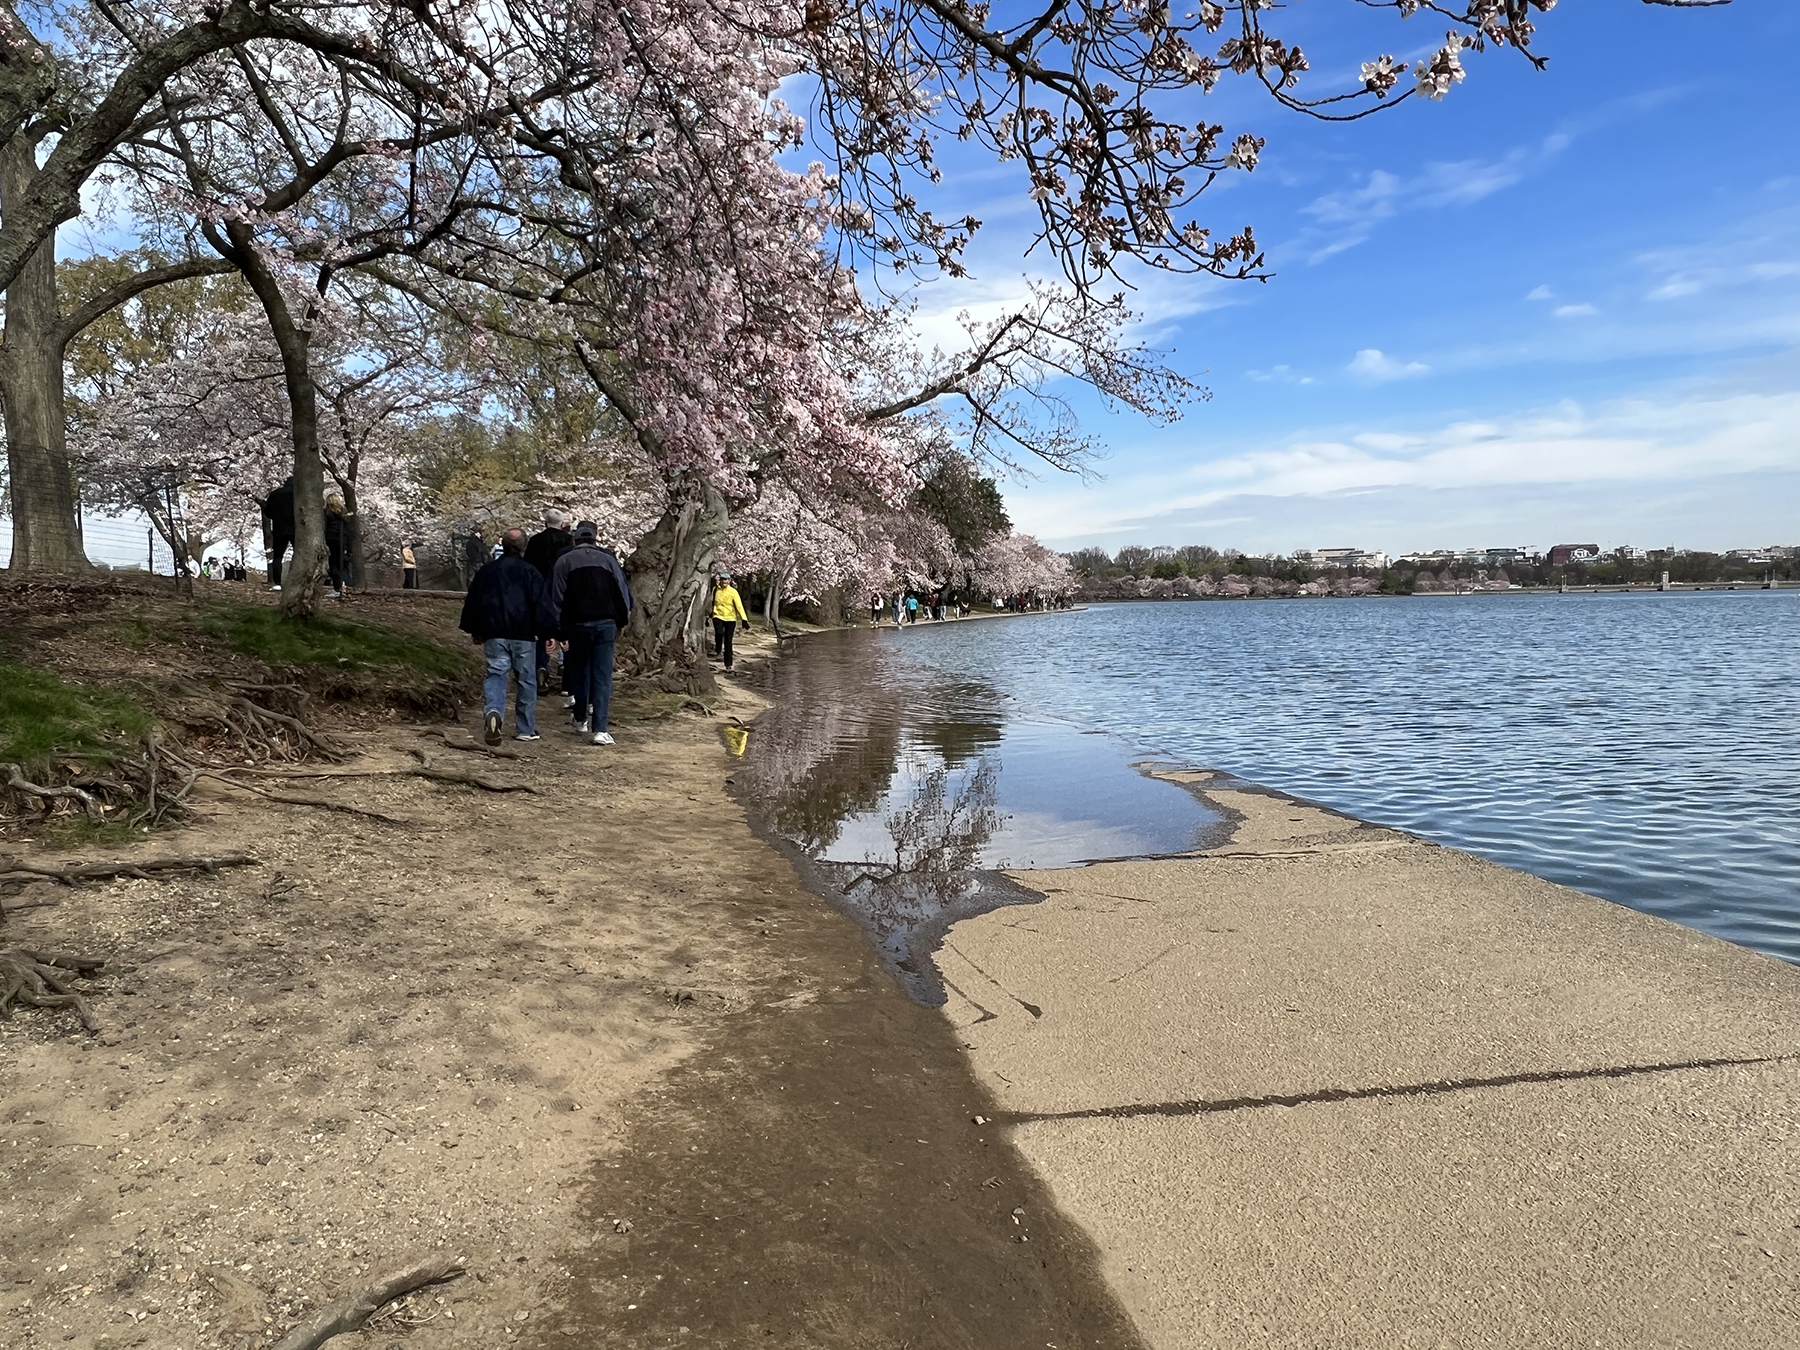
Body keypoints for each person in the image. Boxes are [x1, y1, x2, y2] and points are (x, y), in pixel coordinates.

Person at [545, 520, 633, 746]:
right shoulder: (609, 561)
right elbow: (623, 595)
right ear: (596, 539)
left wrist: (557, 629)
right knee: (602, 676)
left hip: (576, 625)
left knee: (579, 671)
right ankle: (601, 729)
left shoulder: (564, 561)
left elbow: (556, 599)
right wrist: (622, 622)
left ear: (575, 539)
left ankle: (581, 717)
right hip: (605, 624)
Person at [458, 527, 549, 744]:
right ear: (523, 547)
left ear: (503, 544)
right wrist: (547, 632)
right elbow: (540, 604)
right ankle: (525, 728)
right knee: (526, 680)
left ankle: (494, 713)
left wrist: (476, 630)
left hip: (495, 632)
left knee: (496, 675)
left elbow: (474, 602)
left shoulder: (487, 572)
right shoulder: (530, 572)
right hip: (523, 633)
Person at [524, 509, 575, 699]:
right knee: (565, 631)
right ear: (562, 524)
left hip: (539, 591)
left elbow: (528, 566)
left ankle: (541, 666)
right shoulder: (567, 542)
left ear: (545, 522)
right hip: (563, 591)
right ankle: (565, 671)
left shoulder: (535, 541)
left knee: (542, 632)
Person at [711, 573, 751, 672]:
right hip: (718, 616)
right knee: (719, 633)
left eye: (727, 580)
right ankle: (718, 651)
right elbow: (711, 602)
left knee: (728, 641)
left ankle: (728, 663)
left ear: (729, 581)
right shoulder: (715, 590)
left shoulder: (733, 592)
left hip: (730, 618)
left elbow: (739, 606)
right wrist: (708, 614)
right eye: (723, 579)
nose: (725, 581)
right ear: (720, 580)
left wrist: (744, 619)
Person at [261, 477, 295, 589]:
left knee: (278, 556)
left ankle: (277, 582)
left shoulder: (275, 494)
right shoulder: (297, 494)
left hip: (279, 528)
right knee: (299, 554)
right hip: (295, 528)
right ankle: (295, 579)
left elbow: (268, 512)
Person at [324, 493, 348, 597]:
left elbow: (324, 527)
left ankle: (337, 588)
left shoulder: (326, 513)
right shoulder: (343, 514)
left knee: (332, 565)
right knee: (339, 565)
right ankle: (341, 585)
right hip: (342, 541)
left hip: (330, 540)